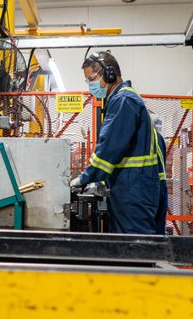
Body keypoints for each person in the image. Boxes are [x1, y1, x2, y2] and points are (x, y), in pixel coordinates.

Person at [70, 51, 168, 235]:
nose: (90, 85)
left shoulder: (123, 101)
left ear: (109, 74)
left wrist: (84, 178)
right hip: (139, 185)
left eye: (91, 79)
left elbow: (110, 147)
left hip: (133, 189)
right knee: (146, 246)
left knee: (134, 247)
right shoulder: (128, 99)